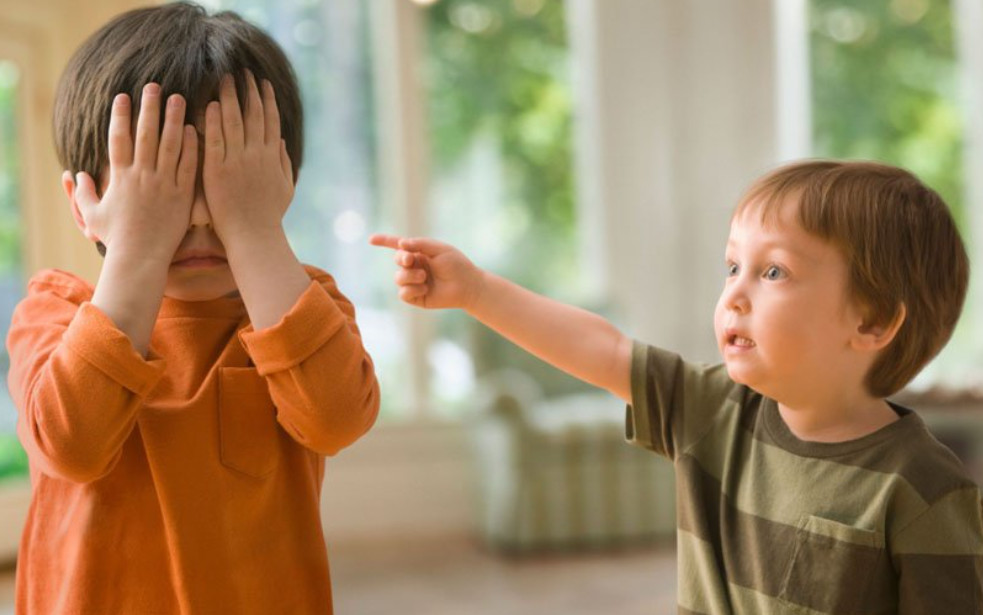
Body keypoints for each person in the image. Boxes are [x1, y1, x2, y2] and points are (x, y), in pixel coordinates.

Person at [371, 159, 983, 613]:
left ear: (871, 321)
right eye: (733, 266)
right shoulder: (712, 408)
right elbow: (604, 349)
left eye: (774, 271)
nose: (735, 294)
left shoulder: (926, 491)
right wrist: (476, 292)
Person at [7, 3, 379, 613]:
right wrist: (138, 247)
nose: (202, 215)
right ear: (84, 205)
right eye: (163, 183)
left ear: (277, 184)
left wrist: (255, 234)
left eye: (224, 181)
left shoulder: (304, 305)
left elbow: (336, 419)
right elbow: (71, 446)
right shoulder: (55, 310)